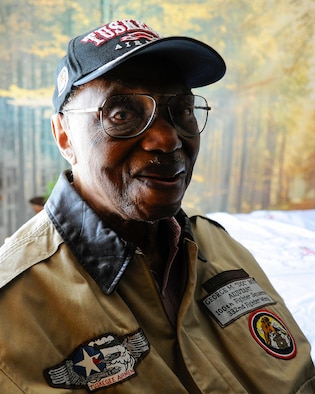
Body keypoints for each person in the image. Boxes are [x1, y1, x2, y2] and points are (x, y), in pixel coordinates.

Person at [0, 18, 314, 394]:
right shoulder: (14, 307)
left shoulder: (220, 247)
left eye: (180, 109)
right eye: (122, 114)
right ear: (64, 136)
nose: (167, 139)